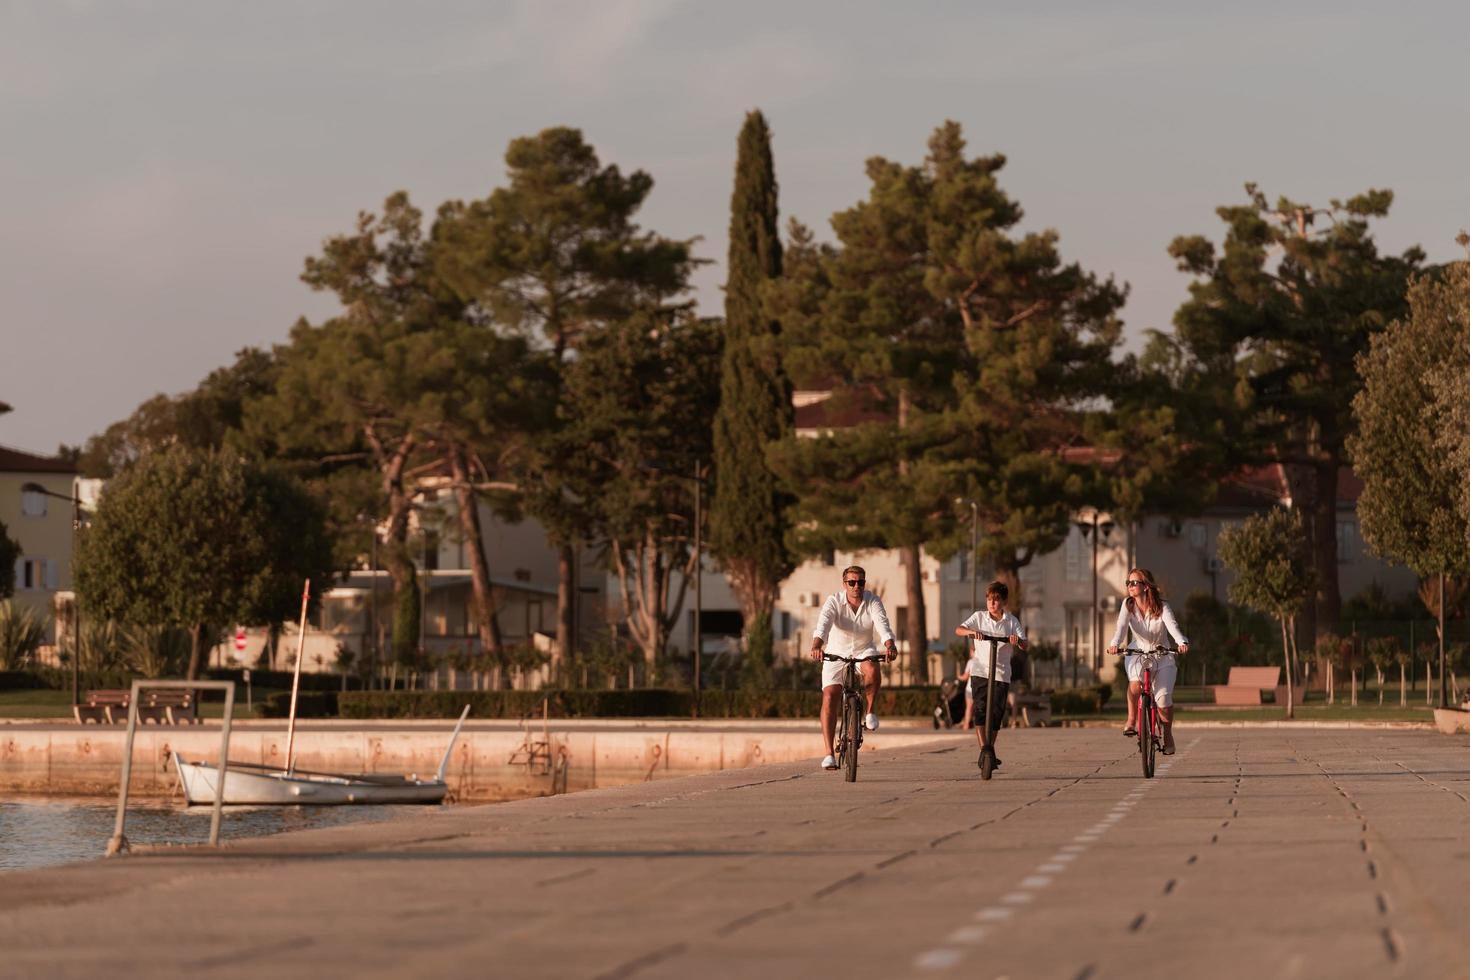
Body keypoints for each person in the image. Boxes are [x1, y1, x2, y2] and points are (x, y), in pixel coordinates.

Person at [809, 566, 897, 771]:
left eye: (861, 582)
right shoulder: (834, 602)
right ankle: (829, 754)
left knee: (873, 669)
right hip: (836, 652)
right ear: (844, 584)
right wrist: (816, 646)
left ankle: (870, 711)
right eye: (852, 582)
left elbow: (883, 625)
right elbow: (823, 625)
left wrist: (890, 645)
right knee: (830, 695)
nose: (857, 586)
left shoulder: (873, 601)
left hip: (863, 650)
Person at [1106, 568, 1190, 754]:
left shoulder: (1162, 606)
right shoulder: (1127, 605)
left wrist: (1181, 642)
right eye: (1128, 583)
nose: (1130, 586)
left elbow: (1172, 626)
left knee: (1162, 700)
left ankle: (1167, 734)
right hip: (1138, 651)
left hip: (1162, 655)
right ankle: (1131, 720)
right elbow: (1120, 628)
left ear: (1146, 586)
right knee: (1135, 685)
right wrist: (1114, 644)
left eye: (1135, 583)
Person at [955, 581, 1027, 769]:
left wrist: (1017, 640)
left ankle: (989, 749)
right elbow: (959, 629)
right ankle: (986, 751)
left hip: (1001, 674)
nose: (991, 604)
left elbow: (1025, 644)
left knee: (996, 714)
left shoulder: (1011, 621)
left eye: (996, 600)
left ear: (1003, 601)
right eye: (989, 599)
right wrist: (972, 632)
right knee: (979, 709)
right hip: (980, 671)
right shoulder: (979, 617)